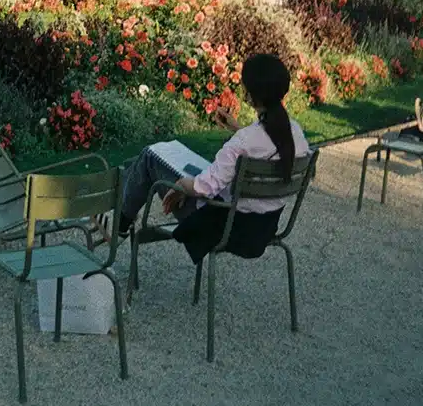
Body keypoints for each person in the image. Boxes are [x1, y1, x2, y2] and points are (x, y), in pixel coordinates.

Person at [114, 54, 311, 262]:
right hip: (264, 229)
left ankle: (120, 224)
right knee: (153, 164)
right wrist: (236, 128)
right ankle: (122, 213)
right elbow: (264, 145)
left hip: (221, 227)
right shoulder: (295, 134)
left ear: (250, 95)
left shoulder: (243, 142)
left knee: (150, 157)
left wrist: (182, 185)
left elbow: (205, 188)